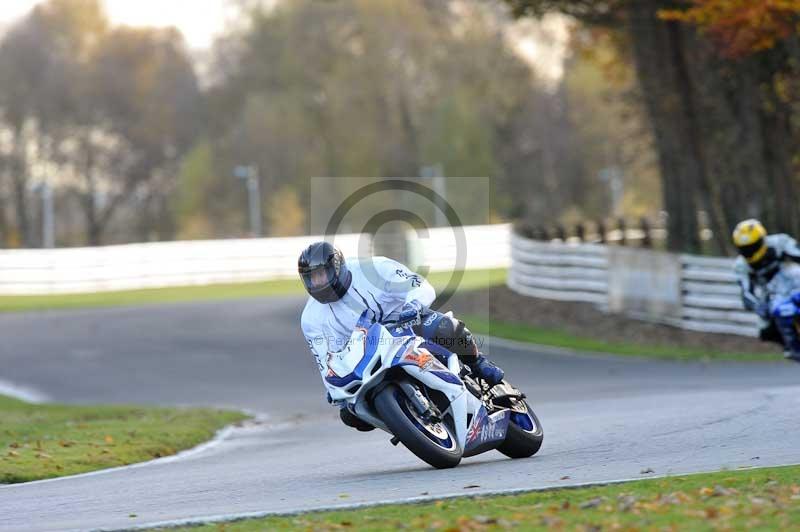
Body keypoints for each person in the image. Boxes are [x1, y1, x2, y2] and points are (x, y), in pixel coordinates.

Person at [299, 241, 504, 431]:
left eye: (322, 275)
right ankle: (405, 419)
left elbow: (420, 286)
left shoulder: (375, 269)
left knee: (441, 326)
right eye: (312, 278)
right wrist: (335, 390)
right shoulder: (311, 319)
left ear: (337, 267)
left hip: (408, 324)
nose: (318, 283)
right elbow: (325, 361)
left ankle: (477, 363)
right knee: (350, 415)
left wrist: (413, 306)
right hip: (369, 352)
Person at [732, 219, 800, 356]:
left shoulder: (780, 242)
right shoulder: (740, 265)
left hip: (794, 281)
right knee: (764, 329)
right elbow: (746, 293)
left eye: (752, 247)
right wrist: (759, 307)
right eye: (745, 249)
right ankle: (789, 346)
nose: (749, 252)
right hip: (771, 293)